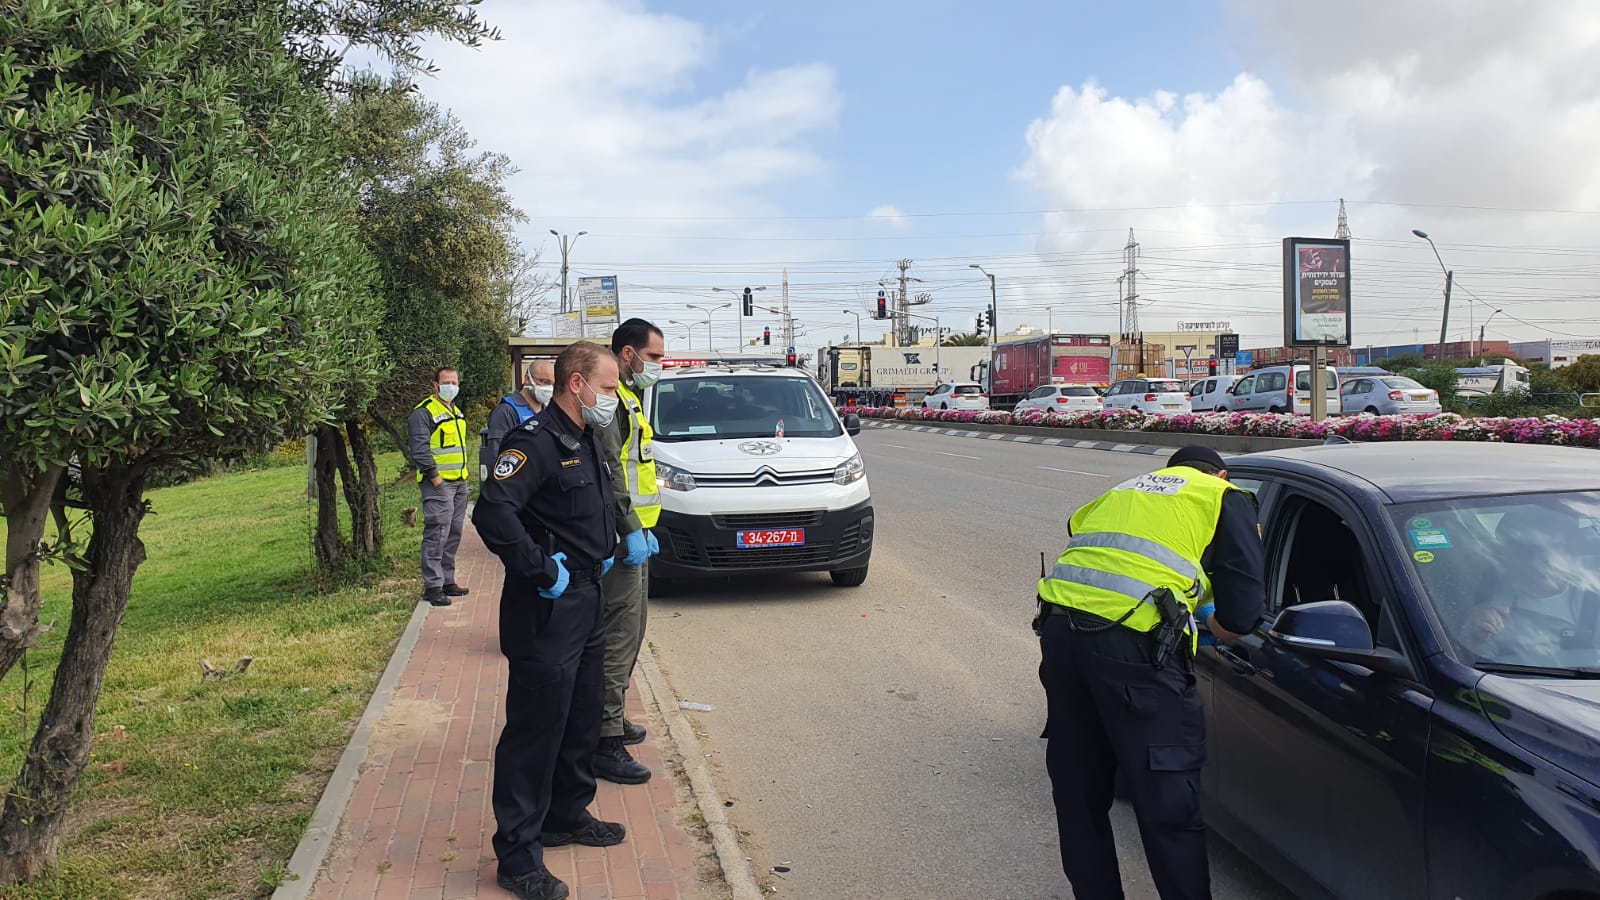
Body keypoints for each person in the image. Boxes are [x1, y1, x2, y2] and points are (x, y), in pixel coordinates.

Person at [1036, 445, 1265, 900]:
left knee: (1080, 791)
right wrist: (1211, 626)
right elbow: (1243, 616)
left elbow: (1113, 553)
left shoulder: (1122, 492)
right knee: (1169, 803)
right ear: (1219, 473)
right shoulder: (1222, 496)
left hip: (1060, 635)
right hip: (1134, 649)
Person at [471, 341, 623, 900]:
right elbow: (493, 511)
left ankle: (566, 815)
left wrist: (605, 545)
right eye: (607, 388)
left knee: (581, 717)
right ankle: (517, 856)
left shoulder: (586, 437)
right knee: (535, 732)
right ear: (576, 384)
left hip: (588, 599)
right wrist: (540, 570)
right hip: (548, 606)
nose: (613, 397)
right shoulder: (533, 442)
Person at [592, 318, 667, 785]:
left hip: (635, 536)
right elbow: (611, 475)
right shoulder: (613, 404)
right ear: (627, 354)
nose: (659, 365)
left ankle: (613, 719)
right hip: (622, 541)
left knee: (632, 629)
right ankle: (604, 740)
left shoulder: (629, 399)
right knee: (618, 636)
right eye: (654, 357)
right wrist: (630, 528)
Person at [408, 367, 471, 607]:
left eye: (455, 381)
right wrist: (435, 478)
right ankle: (432, 586)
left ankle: (447, 580)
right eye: (446, 382)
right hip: (438, 484)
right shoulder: (424, 413)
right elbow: (420, 449)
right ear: (435, 385)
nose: (451, 386)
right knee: (437, 533)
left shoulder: (456, 411)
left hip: (459, 482)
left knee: (453, 533)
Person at [487, 359, 556, 459]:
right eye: (544, 381)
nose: (548, 388)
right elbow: (496, 456)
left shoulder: (548, 413)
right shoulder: (506, 412)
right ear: (527, 379)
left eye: (552, 384)